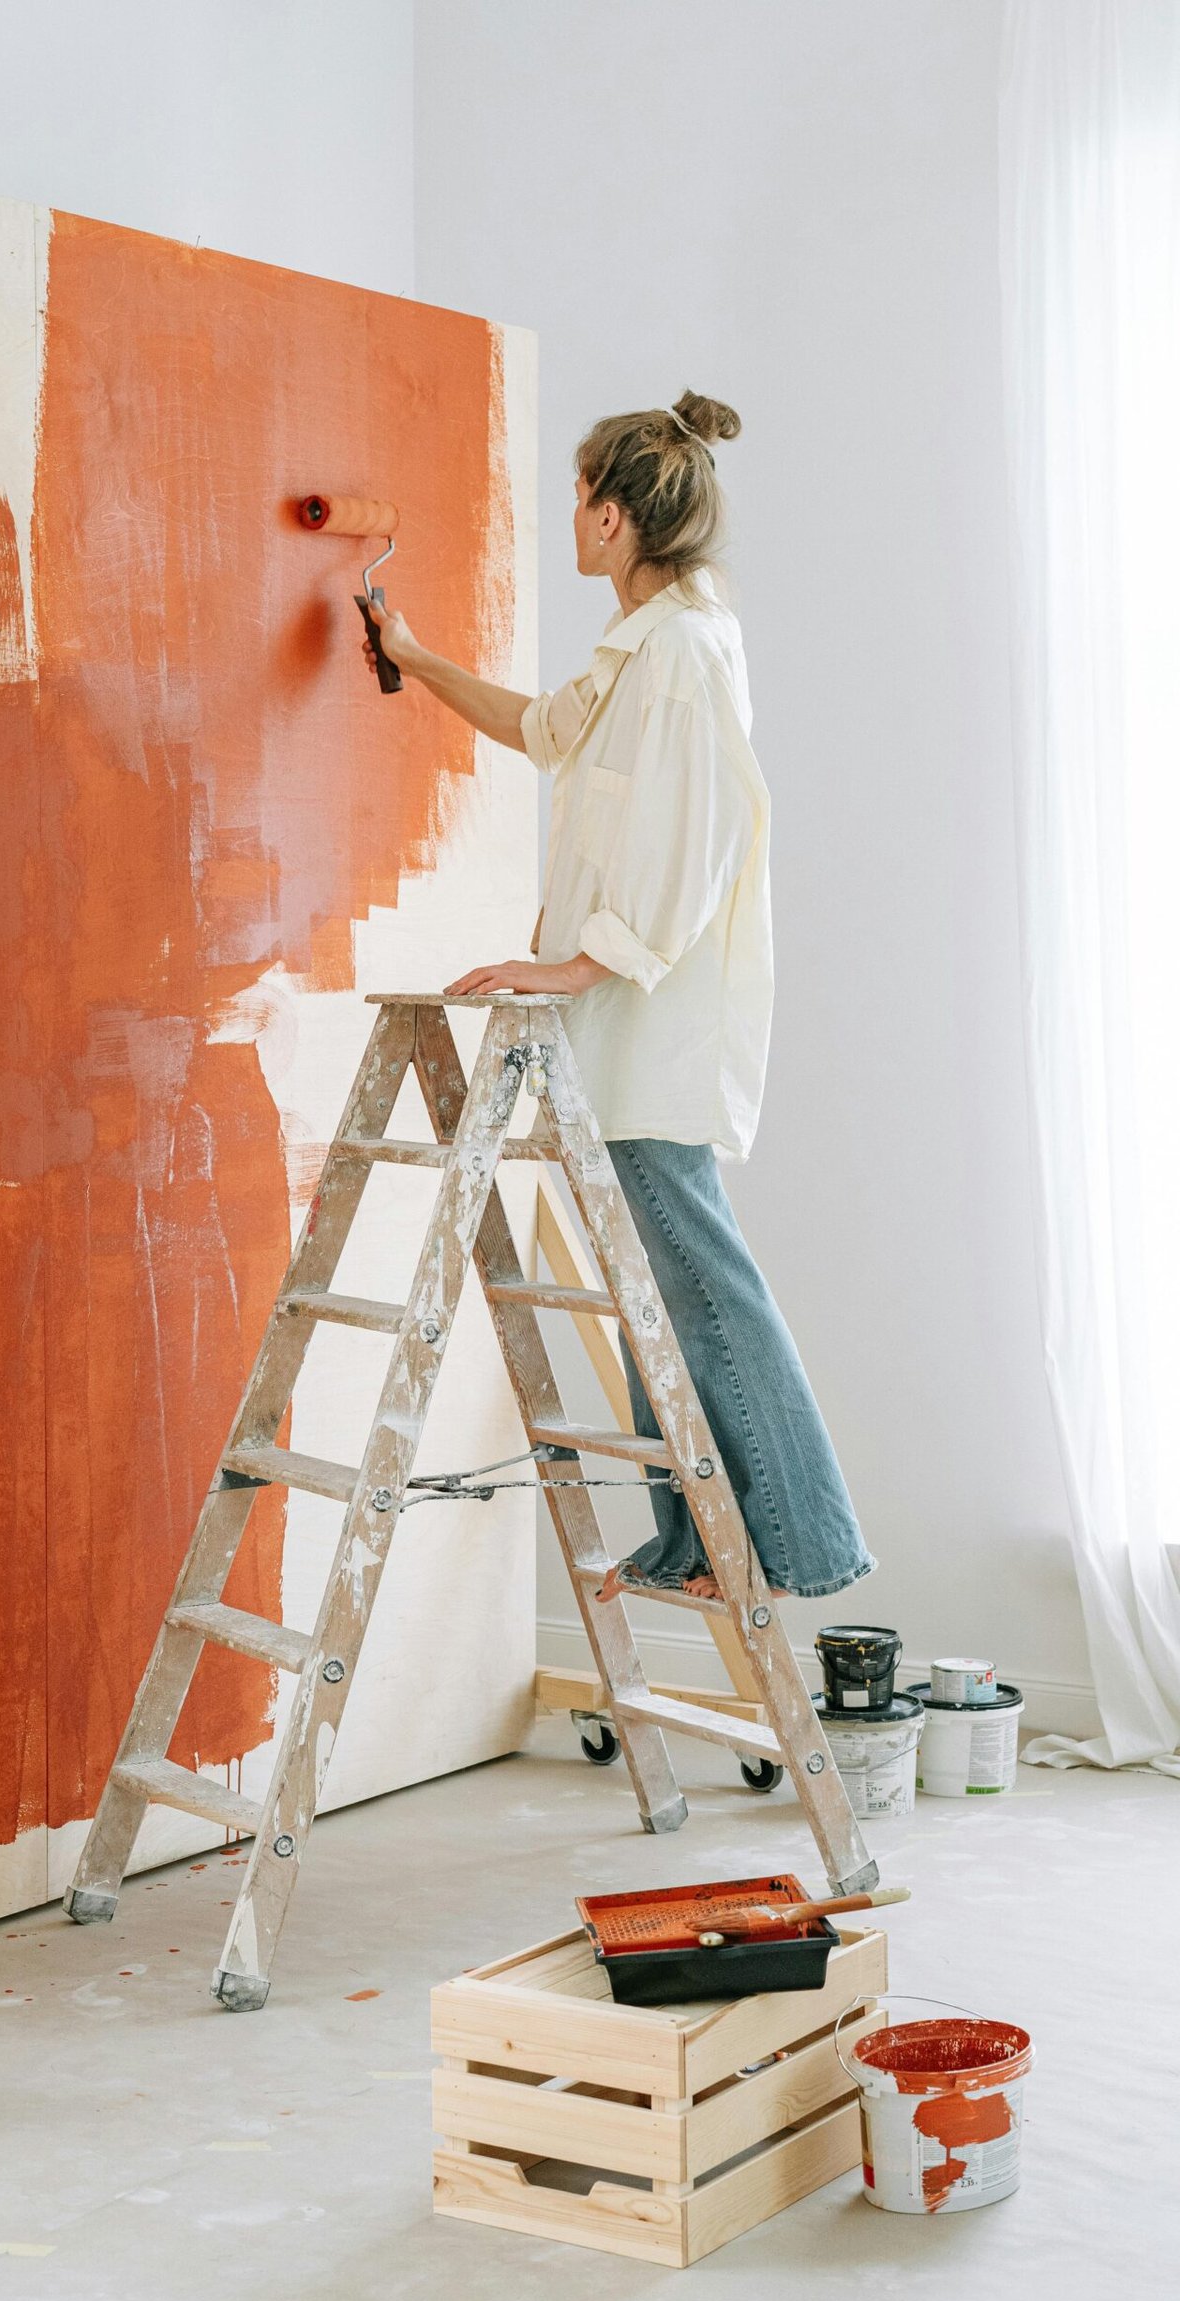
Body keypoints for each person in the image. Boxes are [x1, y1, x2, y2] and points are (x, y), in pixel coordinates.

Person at [362, 391, 875, 1605]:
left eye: (582, 496)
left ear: (612, 516)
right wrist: (415, 658)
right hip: (626, 1026)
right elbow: (540, 730)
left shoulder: (687, 655)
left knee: (698, 1277)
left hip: (654, 1023)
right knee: (658, 1284)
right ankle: (698, 1539)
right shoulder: (642, 649)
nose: (571, 518)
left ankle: (803, 1543)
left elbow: (698, 843)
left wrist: (576, 961)